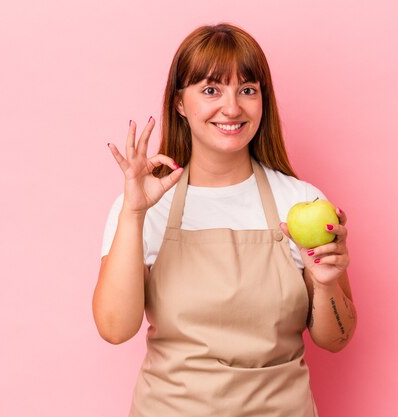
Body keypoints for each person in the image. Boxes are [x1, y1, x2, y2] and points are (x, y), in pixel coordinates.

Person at [93, 22, 357, 417]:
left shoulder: (300, 200)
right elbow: (115, 328)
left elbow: (336, 338)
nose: (232, 108)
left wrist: (326, 283)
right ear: (179, 102)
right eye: (211, 90)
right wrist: (133, 214)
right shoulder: (145, 205)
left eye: (247, 90)